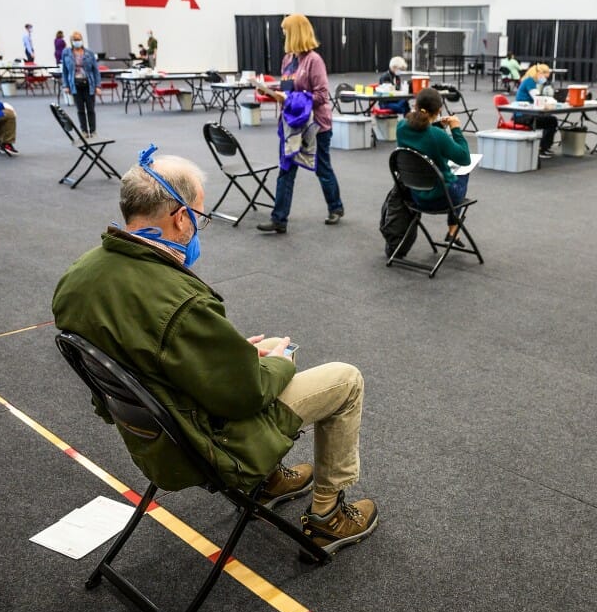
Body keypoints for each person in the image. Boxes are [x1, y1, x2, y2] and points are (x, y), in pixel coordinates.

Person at [51, 146, 378, 553]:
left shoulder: (77, 277)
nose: (197, 227)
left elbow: (149, 350)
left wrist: (234, 354)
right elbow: (247, 394)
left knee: (264, 350)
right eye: (199, 217)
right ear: (180, 217)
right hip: (208, 442)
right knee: (344, 378)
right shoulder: (179, 302)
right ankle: (328, 517)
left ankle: (268, 480)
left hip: (153, 432)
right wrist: (278, 364)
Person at [257, 14, 345, 233]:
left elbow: (322, 95)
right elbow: (289, 87)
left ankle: (336, 207)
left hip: (316, 125)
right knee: (286, 169)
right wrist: (271, 89)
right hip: (292, 124)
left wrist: (294, 98)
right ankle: (279, 219)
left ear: (295, 32)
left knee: (322, 168)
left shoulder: (314, 61)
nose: (283, 34)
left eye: (286, 31)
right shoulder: (288, 59)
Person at [395, 87, 472, 245]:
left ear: (415, 105)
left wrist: (437, 126)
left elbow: (424, 140)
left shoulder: (401, 127)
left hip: (414, 194)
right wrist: (456, 129)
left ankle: (453, 232)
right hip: (440, 198)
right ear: (439, 110)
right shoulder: (438, 136)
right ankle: (453, 228)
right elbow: (464, 158)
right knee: (463, 172)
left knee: (446, 174)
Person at [60, 31, 100, 137]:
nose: (77, 41)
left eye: (79, 39)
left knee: (90, 109)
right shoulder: (66, 53)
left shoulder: (89, 53)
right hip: (75, 84)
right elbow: (65, 71)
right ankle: (84, 131)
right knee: (80, 109)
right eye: (75, 40)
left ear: (82, 40)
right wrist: (66, 85)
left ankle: (93, 130)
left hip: (88, 83)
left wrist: (97, 86)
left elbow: (95, 70)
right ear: (71, 41)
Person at [514, 63, 557, 159]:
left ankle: (544, 147)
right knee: (551, 121)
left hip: (529, 113)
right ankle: (542, 148)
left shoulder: (533, 82)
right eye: (545, 76)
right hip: (522, 115)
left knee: (551, 120)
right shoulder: (529, 81)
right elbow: (537, 98)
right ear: (539, 73)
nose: (545, 79)